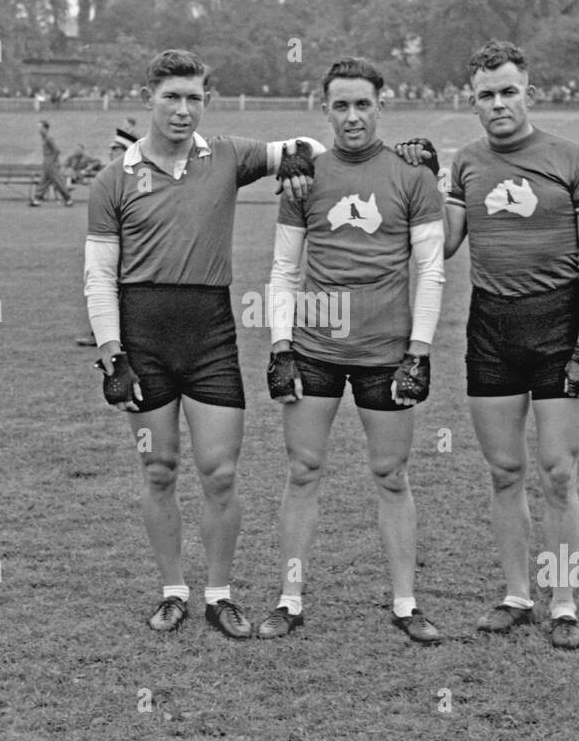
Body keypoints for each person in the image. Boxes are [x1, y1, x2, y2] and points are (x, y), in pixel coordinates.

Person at [83, 49, 323, 639]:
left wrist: (297, 158)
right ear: (148, 98)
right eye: (171, 97)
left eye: (194, 98)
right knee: (159, 468)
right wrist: (113, 356)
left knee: (219, 473)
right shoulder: (115, 178)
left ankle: (219, 595)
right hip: (142, 336)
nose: (183, 110)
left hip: (210, 334)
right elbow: (98, 276)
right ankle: (172, 592)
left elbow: (310, 147)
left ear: (206, 102)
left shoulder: (228, 156)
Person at [256, 57, 447, 644]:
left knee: (391, 474)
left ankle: (405, 604)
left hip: (386, 351)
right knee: (303, 470)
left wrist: (419, 352)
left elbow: (432, 271)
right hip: (313, 347)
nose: (353, 116)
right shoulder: (304, 177)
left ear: (381, 106)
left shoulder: (413, 176)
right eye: (340, 105)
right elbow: (284, 269)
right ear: (325, 110)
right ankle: (289, 600)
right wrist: (280, 345)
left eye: (363, 104)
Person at [442, 40, 579, 650]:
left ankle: (563, 602)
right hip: (490, 328)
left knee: (559, 472)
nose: (498, 103)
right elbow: (445, 244)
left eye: (508, 91)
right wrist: (414, 179)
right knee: (504, 470)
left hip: (558, 326)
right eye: (486, 95)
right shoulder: (465, 163)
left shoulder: (572, 160)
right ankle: (516, 594)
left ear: (528, 93)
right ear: (473, 102)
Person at [30, 120, 72, 207]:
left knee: (58, 182)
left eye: (40, 128)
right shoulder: (45, 138)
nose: (39, 130)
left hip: (52, 164)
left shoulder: (49, 138)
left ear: (45, 128)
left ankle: (68, 199)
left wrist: (51, 161)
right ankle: (37, 199)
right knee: (43, 181)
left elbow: (57, 150)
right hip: (47, 163)